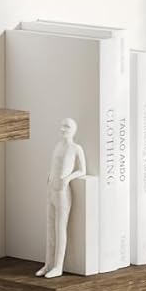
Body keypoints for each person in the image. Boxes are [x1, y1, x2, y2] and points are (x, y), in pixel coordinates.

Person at [38, 118, 88, 278]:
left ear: (74, 130)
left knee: (60, 229)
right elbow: (54, 165)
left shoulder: (76, 148)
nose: (63, 129)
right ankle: (48, 264)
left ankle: (58, 266)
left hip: (62, 193)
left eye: (67, 126)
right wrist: (49, 175)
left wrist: (68, 178)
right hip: (51, 190)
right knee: (49, 229)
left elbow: (82, 170)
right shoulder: (58, 146)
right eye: (62, 126)